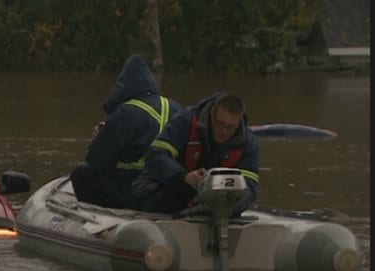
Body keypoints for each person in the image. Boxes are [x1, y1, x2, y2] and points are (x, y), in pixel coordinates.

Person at [69, 54, 184, 210]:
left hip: (133, 190)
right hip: (167, 188)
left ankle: (97, 217)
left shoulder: (126, 112)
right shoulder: (176, 107)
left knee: (81, 174)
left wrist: (100, 137)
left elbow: (97, 160)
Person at [132, 92, 259, 216]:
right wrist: (184, 176)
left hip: (214, 202)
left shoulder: (248, 142)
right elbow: (156, 155)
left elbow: (250, 187)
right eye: (220, 124)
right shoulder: (185, 121)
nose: (224, 131)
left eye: (231, 127)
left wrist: (230, 206)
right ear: (212, 112)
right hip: (166, 188)